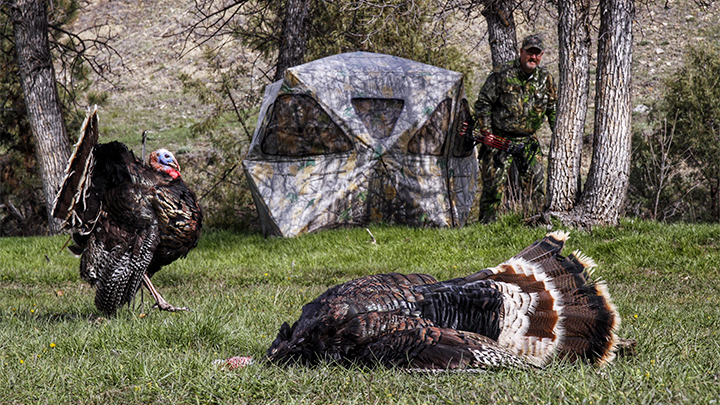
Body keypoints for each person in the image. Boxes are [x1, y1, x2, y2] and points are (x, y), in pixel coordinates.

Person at [473, 33, 557, 223]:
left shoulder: (546, 79)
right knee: (493, 189)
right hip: (499, 140)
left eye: (537, 54)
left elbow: (553, 109)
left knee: (536, 187)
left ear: (541, 55)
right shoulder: (501, 74)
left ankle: (533, 226)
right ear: (521, 52)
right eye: (529, 53)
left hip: (528, 141)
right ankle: (486, 230)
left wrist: (558, 137)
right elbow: (483, 104)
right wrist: (487, 134)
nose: (533, 58)